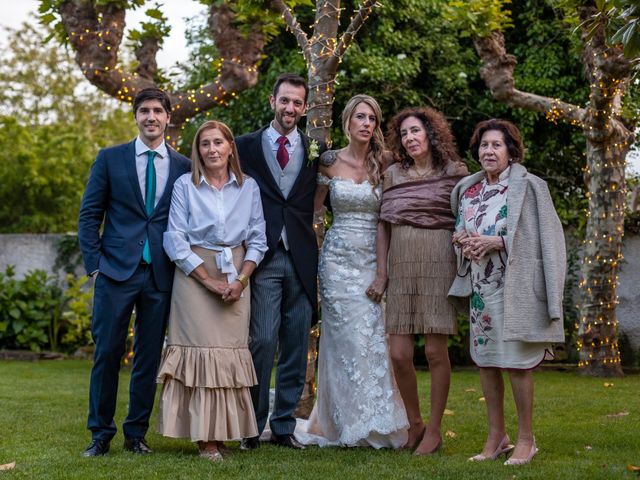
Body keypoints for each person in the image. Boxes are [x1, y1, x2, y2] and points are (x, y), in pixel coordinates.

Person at [77, 88, 190, 457]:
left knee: (147, 358)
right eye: (144, 111)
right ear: (136, 116)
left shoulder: (183, 166)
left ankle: (135, 433)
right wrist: (94, 266)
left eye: (158, 110)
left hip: (160, 274)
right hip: (114, 272)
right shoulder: (110, 159)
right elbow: (89, 216)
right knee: (107, 352)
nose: (151, 117)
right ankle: (100, 433)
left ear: (168, 118)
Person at [449, 118, 565, 465]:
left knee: (518, 365)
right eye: (484, 145)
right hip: (481, 290)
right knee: (487, 363)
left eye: (496, 145)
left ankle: (527, 440)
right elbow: (460, 229)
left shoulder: (531, 187)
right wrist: (464, 243)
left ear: (511, 150)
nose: (489, 151)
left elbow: (546, 237)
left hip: (516, 288)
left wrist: (496, 241)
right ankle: (497, 437)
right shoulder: (468, 191)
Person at [296, 94, 408, 448]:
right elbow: (312, 210)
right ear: (347, 122)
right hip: (336, 261)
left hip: (371, 260)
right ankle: (342, 423)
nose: (366, 124)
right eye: (360, 117)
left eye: (372, 119)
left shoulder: (385, 163)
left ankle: (376, 421)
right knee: (341, 342)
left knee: (371, 341)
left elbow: (386, 222)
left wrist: (382, 272)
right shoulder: (328, 162)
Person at [156, 121, 267, 461]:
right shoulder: (184, 186)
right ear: (198, 150)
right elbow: (174, 239)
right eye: (205, 144)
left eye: (218, 142)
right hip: (193, 274)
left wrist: (240, 281)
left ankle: (223, 434)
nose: (212, 149)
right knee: (198, 353)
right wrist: (208, 280)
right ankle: (205, 439)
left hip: (236, 272)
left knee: (228, 354)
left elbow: (258, 239)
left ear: (230, 146)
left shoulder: (249, 188)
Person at [235, 73, 326, 450]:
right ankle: (252, 425)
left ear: (304, 109)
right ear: (273, 101)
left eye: (297, 103)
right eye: (284, 101)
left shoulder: (316, 149)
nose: (290, 108)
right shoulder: (245, 146)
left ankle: (284, 425)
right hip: (264, 256)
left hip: (302, 257)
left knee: (295, 343)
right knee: (262, 339)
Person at [380, 107, 469, 455]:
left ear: (430, 133)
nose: (409, 138)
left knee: (434, 350)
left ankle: (434, 430)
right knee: (399, 353)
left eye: (415, 131)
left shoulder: (454, 172)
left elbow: (467, 217)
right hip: (401, 265)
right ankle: (414, 423)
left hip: (438, 263)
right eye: (403, 134)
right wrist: (383, 271)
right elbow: (383, 224)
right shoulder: (391, 175)